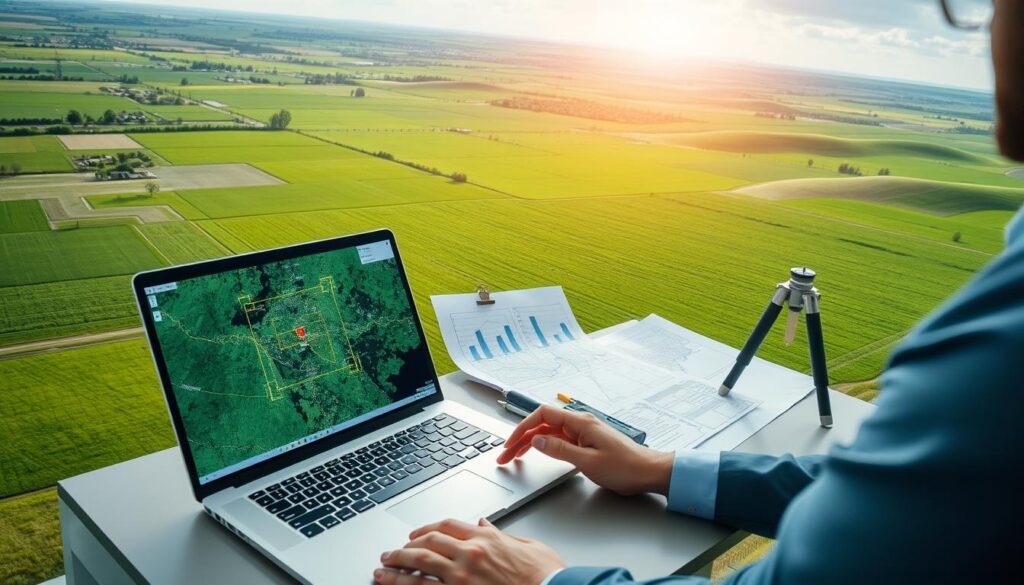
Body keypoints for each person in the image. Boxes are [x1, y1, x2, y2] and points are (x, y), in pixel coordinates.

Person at [372, 1, 1024, 583]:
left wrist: (546, 582)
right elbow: (894, 495)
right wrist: (658, 467)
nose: (991, 24)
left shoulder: (1001, 342)